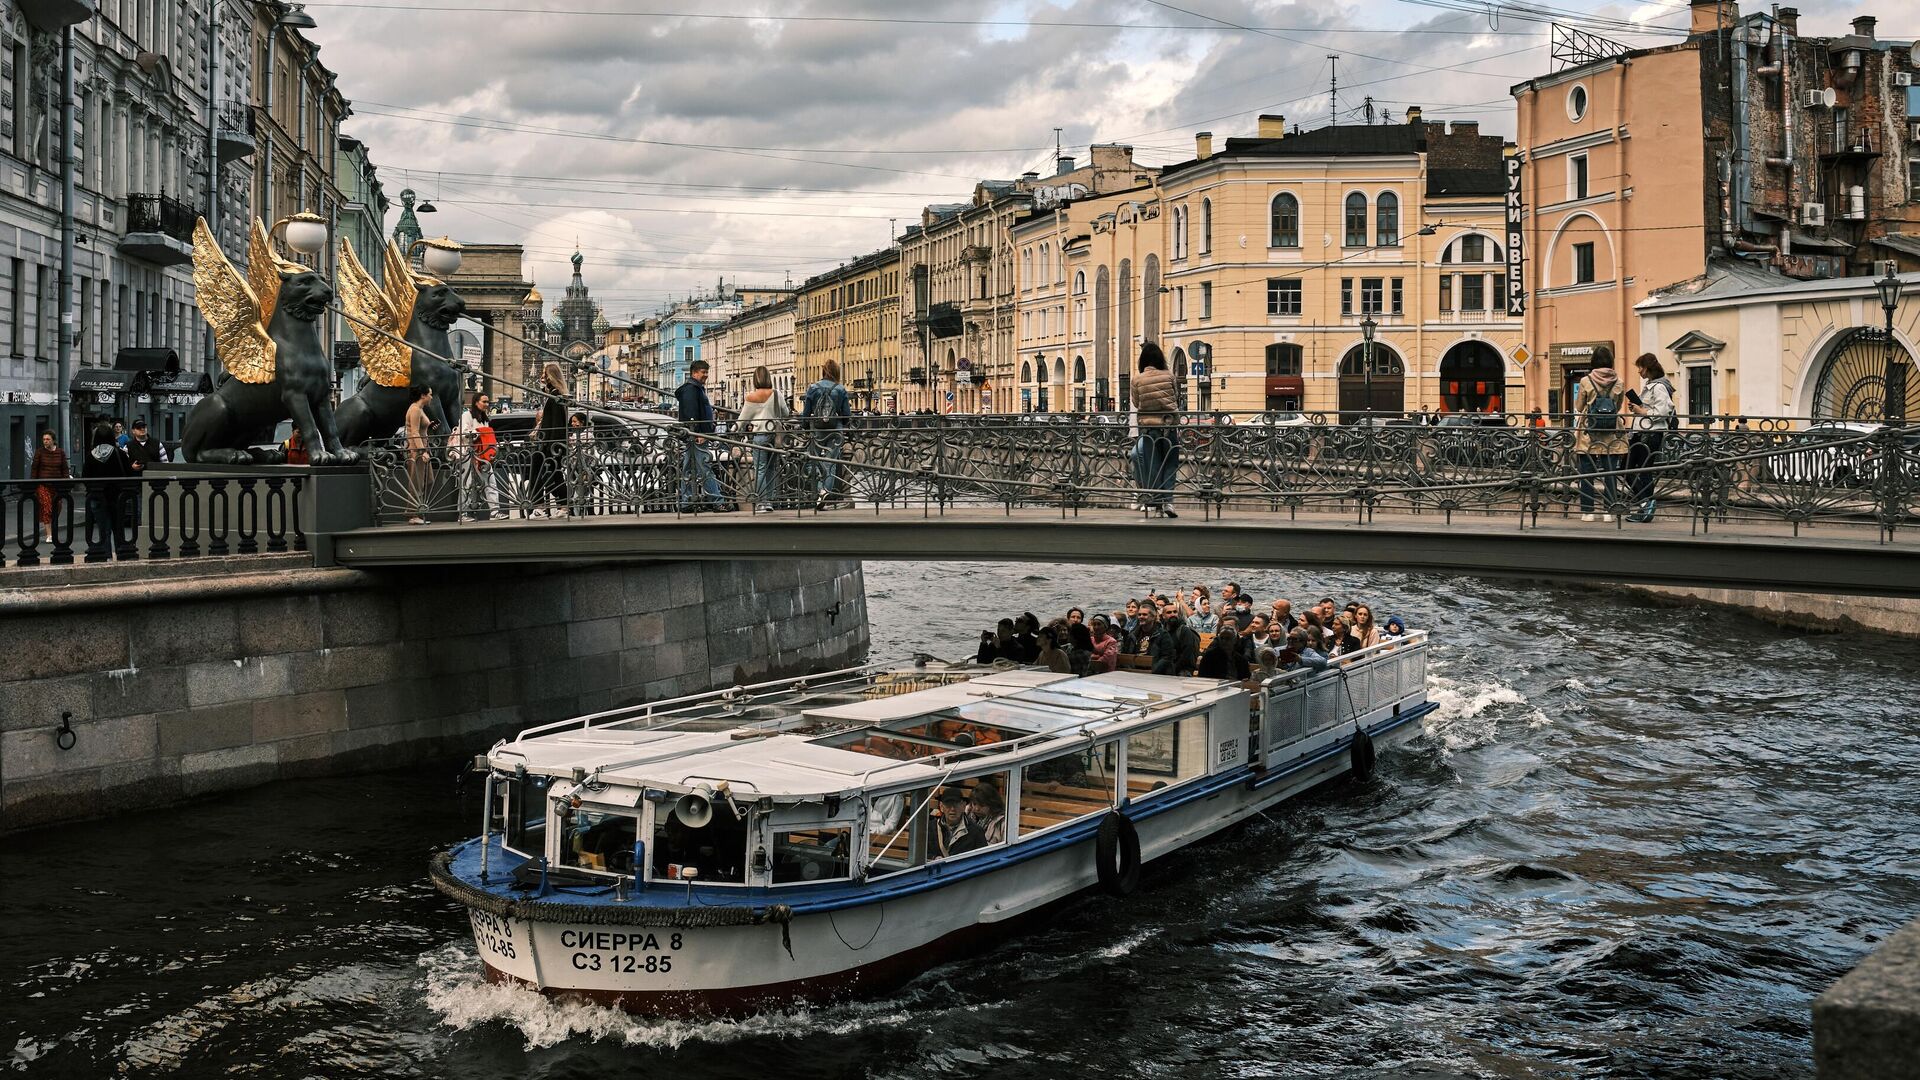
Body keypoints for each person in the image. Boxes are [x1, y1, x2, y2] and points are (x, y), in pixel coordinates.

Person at [1572, 359, 1629, 521]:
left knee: (1586, 472)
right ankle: (1609, 511)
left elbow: (1579, 406)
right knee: (1610, 472)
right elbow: (1617, 407)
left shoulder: (1585, 381)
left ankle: (1588, 512)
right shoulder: (1619, 382)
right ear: (1611, 363)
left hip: (1589, 432)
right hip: (1612, 432)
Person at [1130, 342, 1180, 517]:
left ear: (1143, 360)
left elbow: (1136, 403)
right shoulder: (1169, 376)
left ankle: (1158, 506)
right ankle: (1169, 503)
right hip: (1168, 427)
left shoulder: (1137, 379)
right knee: (1170, 464)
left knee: (1154, 466)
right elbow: (1176, 397)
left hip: (1149, 429)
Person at [1625, 352, 1676, 523]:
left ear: (1647, 368)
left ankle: (1646, 505)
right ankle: (1646, 505)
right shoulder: (1652, 385)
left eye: (1640, 367)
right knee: (1631, 468)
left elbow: (1663, 412)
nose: (1638, 371)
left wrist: (1642, 411)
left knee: (1639, 470)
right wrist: (1639, 407)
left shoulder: (1659, 387)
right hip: (1643, 432)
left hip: (1650, 434)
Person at [735, 365, 790, 513]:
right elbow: (786, 413)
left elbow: (742, 421)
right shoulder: (777, 394)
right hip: (775, 436)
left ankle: (761, 502)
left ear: (755, 379)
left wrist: (733, 430)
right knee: (772, 469)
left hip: (760, 436)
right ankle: (770, 501)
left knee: (760, 469)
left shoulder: (751, 397)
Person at [801, 358, 852, 509]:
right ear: (836, 372)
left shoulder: (813, 388)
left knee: (813, 459)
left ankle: (818, 490)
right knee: (831, 462)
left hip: (817, 429)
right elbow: (846, 415)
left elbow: (806, 413)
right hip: (835, 430)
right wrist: (840, 425)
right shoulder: (840, 389)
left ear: (823, 371)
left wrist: (805, 427)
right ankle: (824, 491)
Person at [676, 359, 726, 511]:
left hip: (695, 435)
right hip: (697, 436)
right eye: (703, 372)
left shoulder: (696, 388)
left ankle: (686, 502)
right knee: (704, 468)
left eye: (706, 372)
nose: (706, 375)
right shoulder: (692, 389)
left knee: (688, 469)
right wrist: (698, 432)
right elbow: (691, 413)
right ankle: (717, 502)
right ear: (694, 373)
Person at [80, 421, 133, 560]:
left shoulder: (91, 456)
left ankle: (106, 555)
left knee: (104, 529)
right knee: (118, 528)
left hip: (98, 497)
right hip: (117, 497)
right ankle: (122, 554)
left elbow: (85, 476)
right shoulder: (119, 454)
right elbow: (129, 473)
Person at [532, 361, 569, 518]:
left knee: (540, 471)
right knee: (554, 473)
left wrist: (551, 445)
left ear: (550, 376)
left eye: (544, 374)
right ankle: (562, 506)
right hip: (553, 443)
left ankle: (541, 507)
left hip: (552, 443)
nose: (541, 377)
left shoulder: (555, 395)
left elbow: (556, 423)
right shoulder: (554, 394)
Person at [456, 391, 498, 522]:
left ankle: (495, 512)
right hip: (469, 454)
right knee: (467, 483)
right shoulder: (466, 415)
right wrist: (478, 434)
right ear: (476, 402)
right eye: (484, 401)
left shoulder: (484, 418)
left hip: (483, 454)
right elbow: (462, 433)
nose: (487, 404)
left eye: (488, 402)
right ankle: (462, 514)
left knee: (490, 481)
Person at [123, 419, 165, 529]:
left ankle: (154, 528)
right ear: (133, 431)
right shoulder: (128, 446)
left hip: (155, 482)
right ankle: (139, 532)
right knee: (138, 509)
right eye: (139, 428)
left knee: (156, 508)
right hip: (136, 483)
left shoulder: (157, 444)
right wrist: (132, 467)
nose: (142, 429)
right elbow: (123, 465)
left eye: (144, 427)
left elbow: (165, 463)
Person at [403, 385, 435, 525]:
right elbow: (414, 432)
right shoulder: (415, 409)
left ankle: (419, 510)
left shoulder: (419, 409)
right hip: (417, 451)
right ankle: (412, 514)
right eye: (430, 394)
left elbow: (420, 430)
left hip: (421, 449)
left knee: (428, 480)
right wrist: (422, 451)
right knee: (416, 482)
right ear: (423, 395)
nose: (431, 397)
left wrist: (429, 426)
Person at [30, 430, 68, 543]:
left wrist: (66, 481)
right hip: (43, 484)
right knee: (46, 507)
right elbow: (34, 468)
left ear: (53, 440)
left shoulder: (60, 452)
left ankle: (53, 528)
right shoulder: (40, 452)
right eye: (44, 439)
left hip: (57, 485)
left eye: (48, 439)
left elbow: (64, 468)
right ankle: (49, 534)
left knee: (57, 507)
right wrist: (33, 483)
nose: (45, 442)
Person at [934, 788, 983, 857]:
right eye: (948, 805)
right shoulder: (930, 828)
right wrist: (934, 858)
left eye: (956, 804)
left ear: (963, 806)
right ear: (941, 807)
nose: (952, 809)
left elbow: (982, 859)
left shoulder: (976, 832)